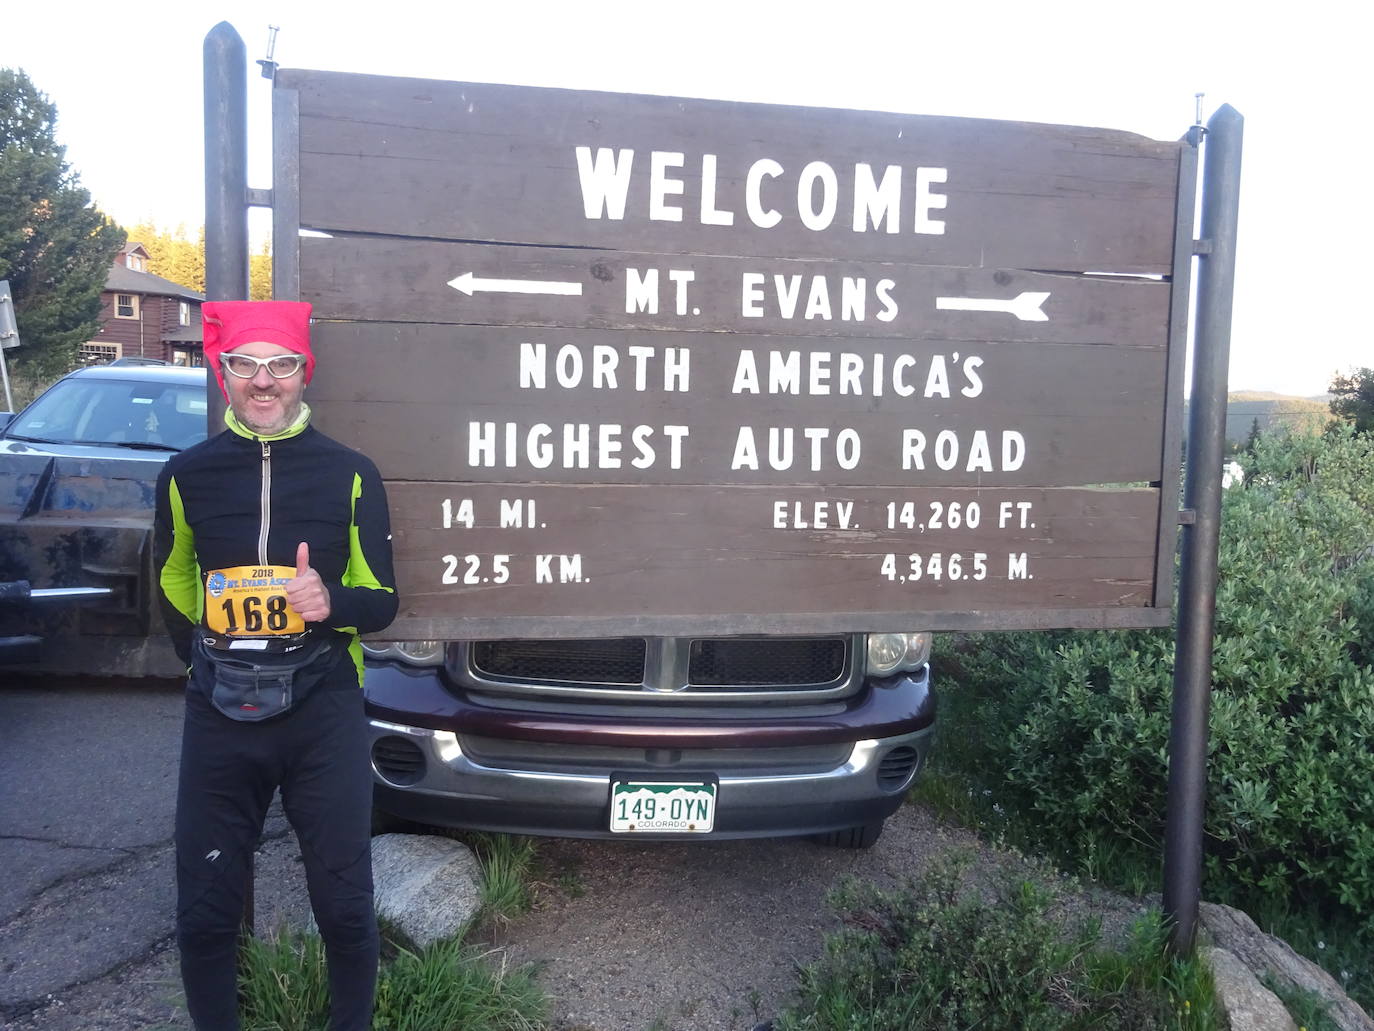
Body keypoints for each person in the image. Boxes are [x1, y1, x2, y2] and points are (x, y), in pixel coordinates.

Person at [154, 300, 398, 1031]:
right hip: (220, 712)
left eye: (282, 363)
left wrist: (332, 600)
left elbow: (383, 600)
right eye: (246, 364)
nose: (265, 381)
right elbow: (171, 583)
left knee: (346, 908)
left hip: (322, 708)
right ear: (223, 372)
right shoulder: (185, 474)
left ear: (303, 372)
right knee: (203, 912)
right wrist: (203, 661)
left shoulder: (351, 474)